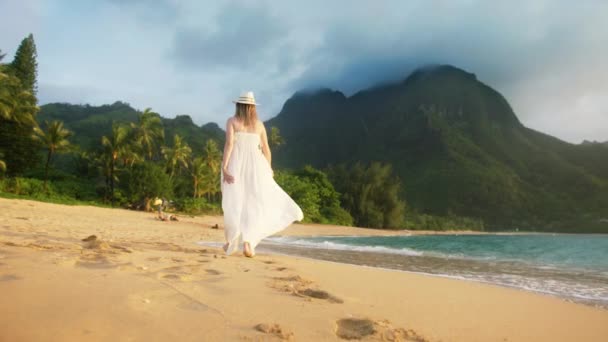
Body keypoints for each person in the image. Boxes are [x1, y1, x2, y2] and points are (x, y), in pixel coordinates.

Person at [221, 91, 303, 257]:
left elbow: (229, 144)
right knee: (254, 202)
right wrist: (269, 168)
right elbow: (266, 149)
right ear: (252, 107)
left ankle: (231, 242)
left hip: (236, 164)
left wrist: (224, 167)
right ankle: (248, 243)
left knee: (233, 202)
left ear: (238, 105)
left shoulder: (232, 121)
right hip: (257, 166)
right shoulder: (259, 125)